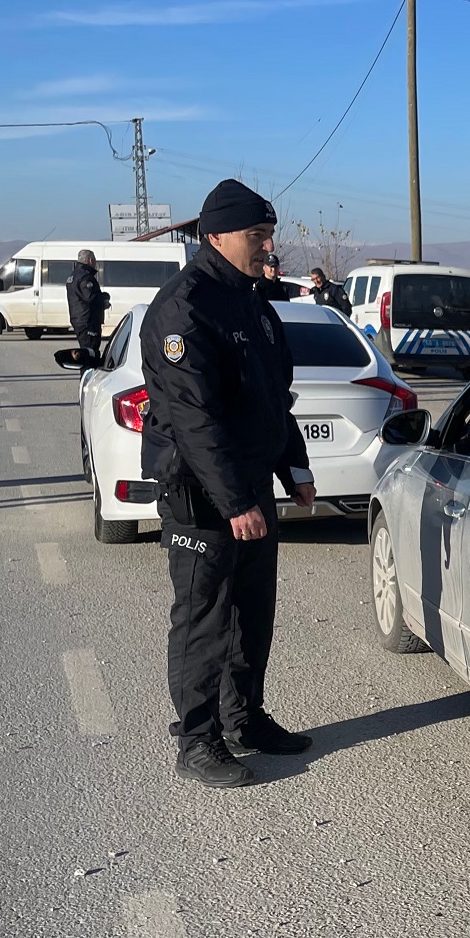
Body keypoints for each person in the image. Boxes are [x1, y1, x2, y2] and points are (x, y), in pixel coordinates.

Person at [140, 180, 317, 788]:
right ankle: (197, 739)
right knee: (205, 618)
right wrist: (235, 499)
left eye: (268, 234)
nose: (266, 246)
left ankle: (245, 719)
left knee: (252, 613)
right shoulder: (185, 307)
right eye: (255, 235)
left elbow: (274, 399)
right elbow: (194, 418)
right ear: (215, 236)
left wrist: (294, 468)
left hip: (249, 489)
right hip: (202, 494)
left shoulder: (253, 302)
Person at [66, 249, 108, 361]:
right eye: (94, 260)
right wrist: (104, 298)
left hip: (78, 319)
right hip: (88, 321)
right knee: (90, 353)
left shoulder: (73, 276)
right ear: (90, 260)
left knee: (85, 351)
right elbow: (90, 297)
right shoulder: (85, 277)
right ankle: (88, 377)